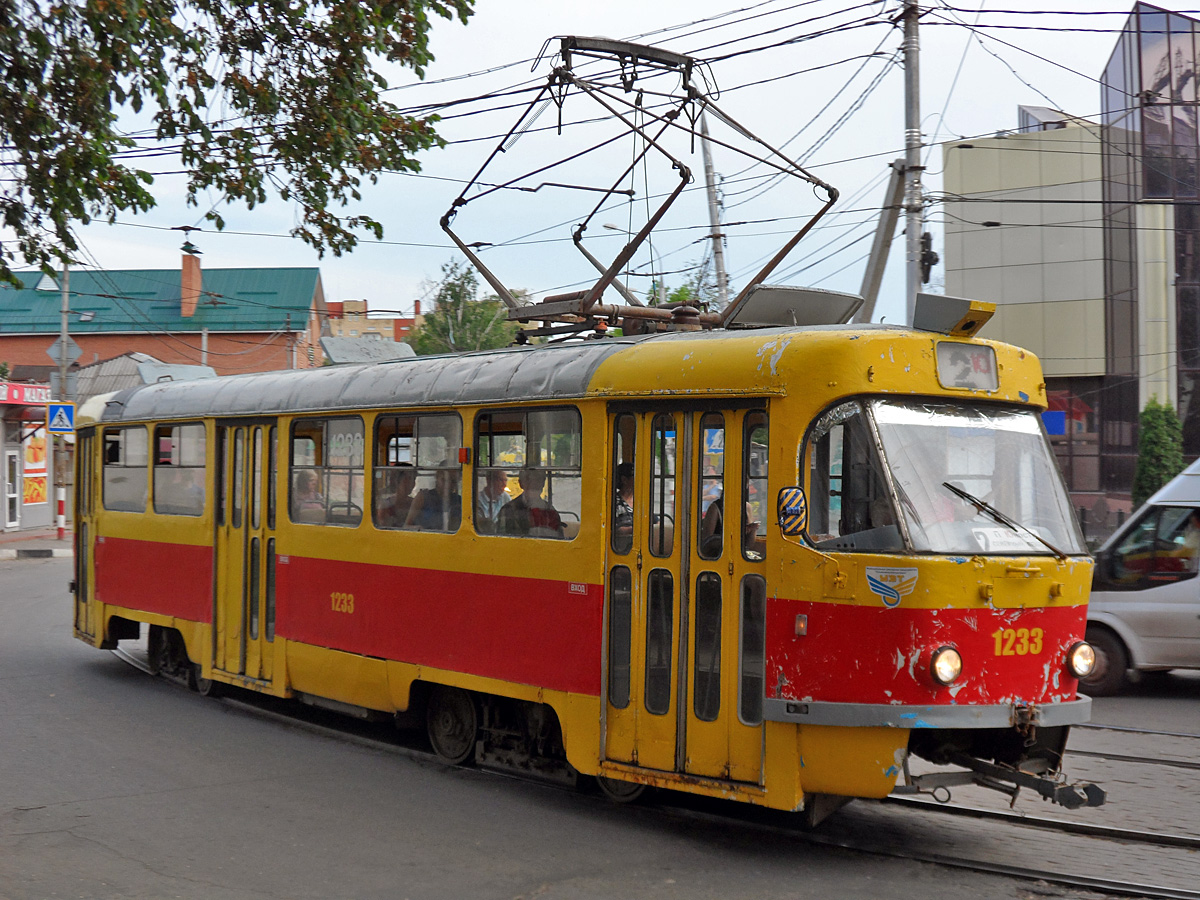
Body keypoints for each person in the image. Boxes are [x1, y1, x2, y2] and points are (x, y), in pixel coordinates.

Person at [497, 468, 563, 538]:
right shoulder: (508, 510)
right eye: (529, 481)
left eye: (538, 480)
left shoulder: (550, 511)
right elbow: (503, 542)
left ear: (543, 483)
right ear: (521, 484)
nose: (534, 485)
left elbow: (560, 540)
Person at [406, 467, 462, 531]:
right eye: (444, 479)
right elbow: (406, 526)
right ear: (437, 477)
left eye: (453, 481)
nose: (448, 484)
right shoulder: (423, 497)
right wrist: (418, 529)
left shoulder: (459, 501)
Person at [377, 463, 417, 528]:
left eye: (414, 479)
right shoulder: (385, 506)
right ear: (397, 481)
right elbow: (384, 530)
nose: (412, 483)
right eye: (408, 479)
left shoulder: (415, 503)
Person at [612, 462, 634, 552]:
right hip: (621, 549)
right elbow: (615, 529)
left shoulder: (641, 501)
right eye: (634, 476)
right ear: (624, 480)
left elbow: (655, 521)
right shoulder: (614, 503)